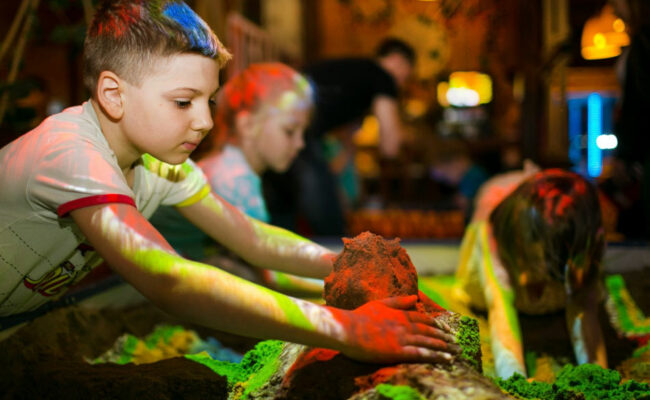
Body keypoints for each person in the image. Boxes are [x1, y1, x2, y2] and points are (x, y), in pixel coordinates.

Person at [0, 0, 459, 365]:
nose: (203, 121)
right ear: (113, 95)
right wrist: (343, 327)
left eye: (210, 101)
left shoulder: (161, 166)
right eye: (183, 102)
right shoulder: (72, 154)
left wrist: (351, 266)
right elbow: (171, 280)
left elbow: (253, 239)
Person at [150, 62, 322, 293]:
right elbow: (267, 259)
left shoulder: (226, 165)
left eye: (303, 133)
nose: (300, 144)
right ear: (248, 125)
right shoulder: (234, 180)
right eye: (290, 131)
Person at [454, 164, 607, 378]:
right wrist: (514, 376)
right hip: (507, 218)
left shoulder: (582, 235)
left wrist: (596, 375)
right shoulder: (496, 231)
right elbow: (500, 305)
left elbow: (584, 303)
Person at [263, 38, 415, 236]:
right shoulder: (382, 76)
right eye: (406, 76)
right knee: (331, 228)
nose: (402, 83)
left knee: (282, 211)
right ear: (397, 60)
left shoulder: (356, 76)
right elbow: (390, 146)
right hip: (294, 131)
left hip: (272, 124)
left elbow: (347, 143)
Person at [608, 0, 650, 239]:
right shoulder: (640, 39)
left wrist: (626, 155)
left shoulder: (644, 41)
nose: (613, 9)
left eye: (616, 2)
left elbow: (639, 106)